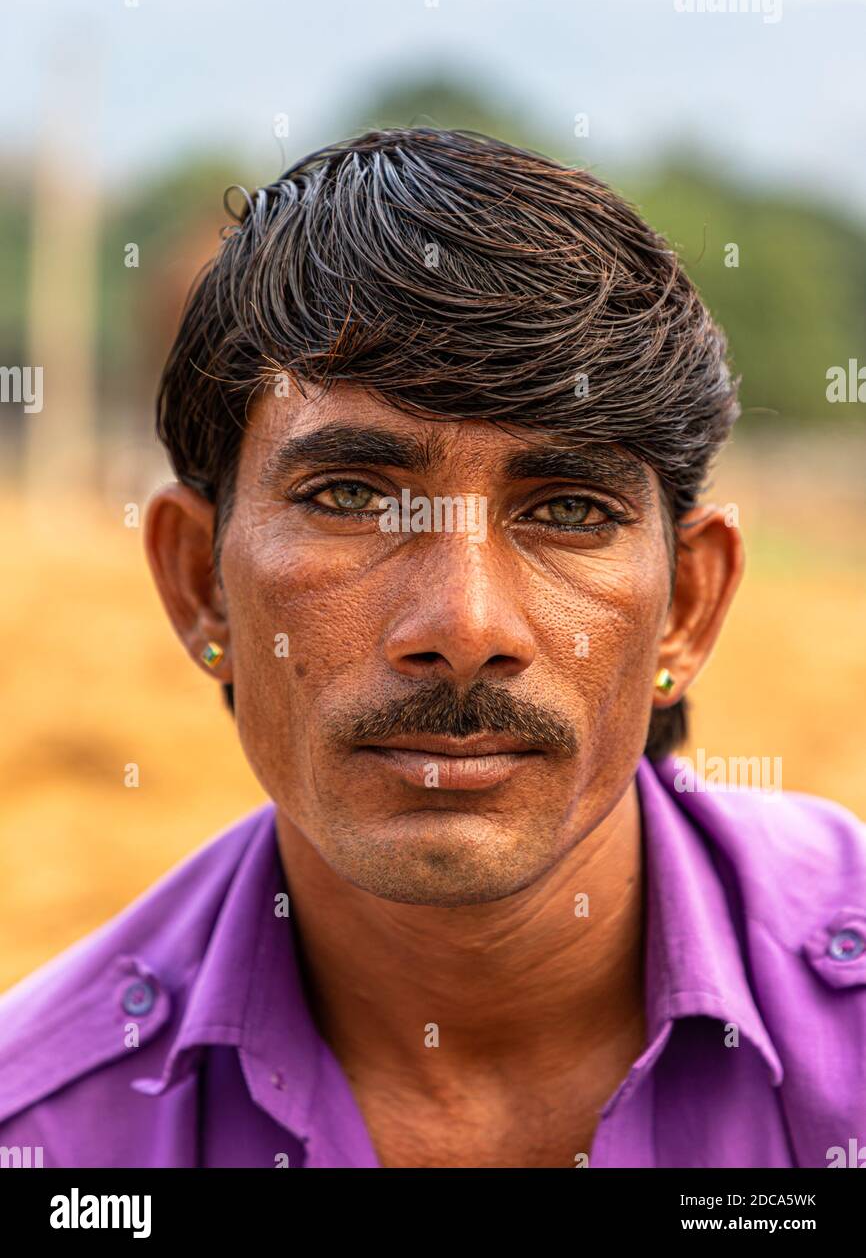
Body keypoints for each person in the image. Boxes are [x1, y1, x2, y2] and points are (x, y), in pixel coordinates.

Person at [1, 128, 864, 1169]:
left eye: (567, 510)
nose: (463, 629)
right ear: (199, 585)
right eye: (351, 498)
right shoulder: (49, 1135)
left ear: (685, 603)